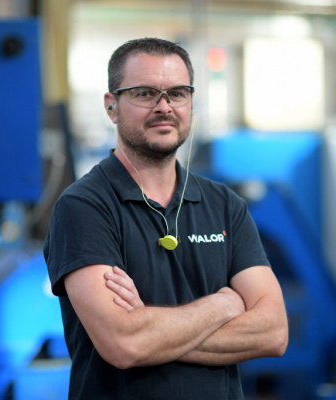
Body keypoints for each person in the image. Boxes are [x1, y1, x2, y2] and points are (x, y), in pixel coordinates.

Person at [44, 37, 288, 400]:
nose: (164, 106)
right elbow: (124, 343)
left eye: (177, 93)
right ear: (111, 106)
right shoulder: (84, 206)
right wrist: (223, 305)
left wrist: (151, 331)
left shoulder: (224, 205)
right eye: (144, 93)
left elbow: (273, 332)